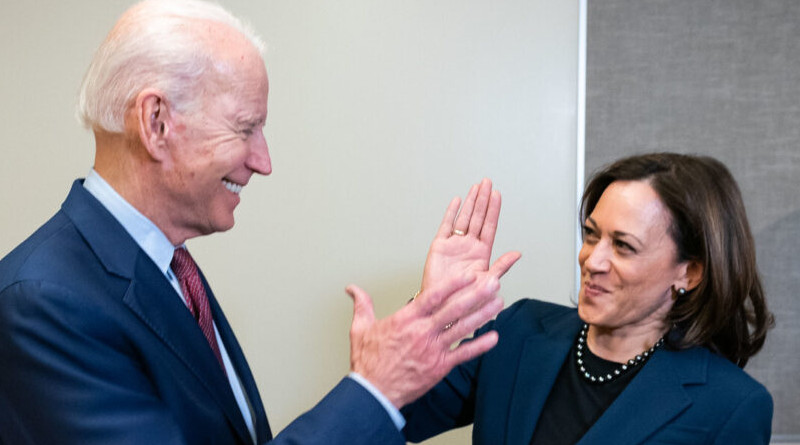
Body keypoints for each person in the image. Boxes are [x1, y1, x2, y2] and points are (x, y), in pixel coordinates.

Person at [0, 1, 520, 444]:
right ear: (156, 123)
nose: (263, 161)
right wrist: (373, 390)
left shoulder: (168, 265)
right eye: (245, 128)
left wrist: (429, 324)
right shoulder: (43, 301)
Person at [403, 152, 774, 444]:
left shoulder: (731, 404)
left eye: (624, 246)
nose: (592, 259)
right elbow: (400, 416)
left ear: (689, 273)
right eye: (592, 235)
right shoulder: (519, 330)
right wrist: (433, 310)